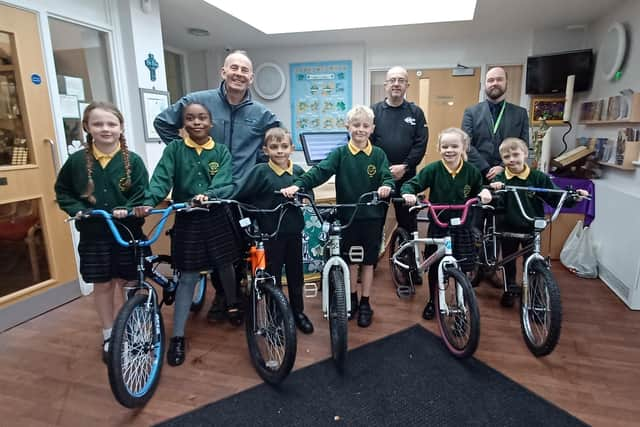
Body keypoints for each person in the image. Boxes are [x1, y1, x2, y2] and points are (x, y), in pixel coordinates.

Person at [153, 50, 279, 322]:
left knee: (239, 250)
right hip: (205, 195)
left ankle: (240, 296)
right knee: (214, 251)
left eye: (244, 70)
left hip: (242, 194)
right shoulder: (198, 102)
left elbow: (276, 140)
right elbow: (162, 122)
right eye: (233, 68)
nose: (238, 74)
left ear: (251, 78)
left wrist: (257, 166)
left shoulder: (261, 113)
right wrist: (184, 154)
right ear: (223, 72)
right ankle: (222, 297)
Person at [135, 102, 242, 367]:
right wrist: (149, 201)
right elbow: (161, 178)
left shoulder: (221, 151)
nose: (196, 122)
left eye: (202, 118)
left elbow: (226, 181)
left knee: (225, 264)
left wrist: (210, 195)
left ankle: (232, 303)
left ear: (210, 123)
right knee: (188, 277)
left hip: (215, 216)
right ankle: (178, 336)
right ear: (183, 124)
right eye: (190, 118)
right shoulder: (175, 150)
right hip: (187, 219)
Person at [281, 105, 394, 328]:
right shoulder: (340, 154)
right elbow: (320, 171)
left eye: (364, 126)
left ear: (372, 128)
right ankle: (350, 297)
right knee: (351, 260)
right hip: (348, 216)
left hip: (371, 216)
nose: (360, 129)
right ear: (347, 127)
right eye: (356, 125)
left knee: (368, 262)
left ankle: (365, 302)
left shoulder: (379, 154)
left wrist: (387, 186)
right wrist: (299, 185)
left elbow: (386, 176)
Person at [54, 101, 149, 364]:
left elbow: (143, 192)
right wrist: (77, 208)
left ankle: (136, 332)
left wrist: (128, 208)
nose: (105, 129)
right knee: (103, 283)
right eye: (98, 124)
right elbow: (63, 192)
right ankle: (109, 334)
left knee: (131, 283)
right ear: (87, 127)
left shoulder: (134, 161)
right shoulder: (76, 162)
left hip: (127, 232)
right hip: (95, 235)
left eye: (111, 124)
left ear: (120, 128)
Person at [401, 128, 492, 320]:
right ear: (439, 148)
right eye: (444, 146)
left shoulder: (471, 171)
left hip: (462, 224)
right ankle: (433, 301)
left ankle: (461, 302)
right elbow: (413, 183)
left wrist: (484, 193)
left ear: (463, 147)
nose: (449, 150)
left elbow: (480, 187)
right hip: (439, 223)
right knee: (435, 266)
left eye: (454, 146)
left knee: (463, 265)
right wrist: (408, 193)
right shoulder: (433, 169)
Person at [489, 138, 589, 307]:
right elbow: (494, 202)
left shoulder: (537, 177)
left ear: (525, 154)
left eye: (516, 154)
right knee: (508, 261)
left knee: (534, 263)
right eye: (507, 157)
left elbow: (554, 195)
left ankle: (535, 296)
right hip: (508, 227)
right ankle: (509, 289)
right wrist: (494, 190)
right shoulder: (501, 178)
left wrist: (573, 196)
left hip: (532, 227)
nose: (511, 159)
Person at [233, 127, 314, 334]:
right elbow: (241, 195)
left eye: (284, 146)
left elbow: (308, 192)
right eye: (274, 147)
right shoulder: (260, 172)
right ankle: (275, 316)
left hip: (294, 232)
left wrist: (305, 198)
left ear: (292, 149)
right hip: (270, 235)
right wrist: (254, 216)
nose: (280, 151)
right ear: (265, 150)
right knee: (272, 277)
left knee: (296, 276)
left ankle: (298, 312)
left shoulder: (297, 172)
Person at [371, 66, 428, 236]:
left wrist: (404, 166)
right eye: (392, 80)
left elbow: (421, 143)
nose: (396, 84)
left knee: (408, 222)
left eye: (401, 80)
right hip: (379, 177)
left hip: (407, 178)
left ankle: (408, 259)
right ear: (385, 85)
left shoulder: (416, 112)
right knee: (375, 221)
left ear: (407, 86)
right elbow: (368, 143)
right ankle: (371, 261)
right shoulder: (373, 111)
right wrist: (386, 171)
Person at [462, 66, 530, 182]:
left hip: (509, 174)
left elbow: (523, 145)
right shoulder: (471, 112)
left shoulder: (520, 113)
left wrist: (503, 167)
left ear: (506, 82)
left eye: (499, 79)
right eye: (490, 80)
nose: (495, 83)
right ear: (485, 84)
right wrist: (486, 168)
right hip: (476, 175)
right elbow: (466, 144)